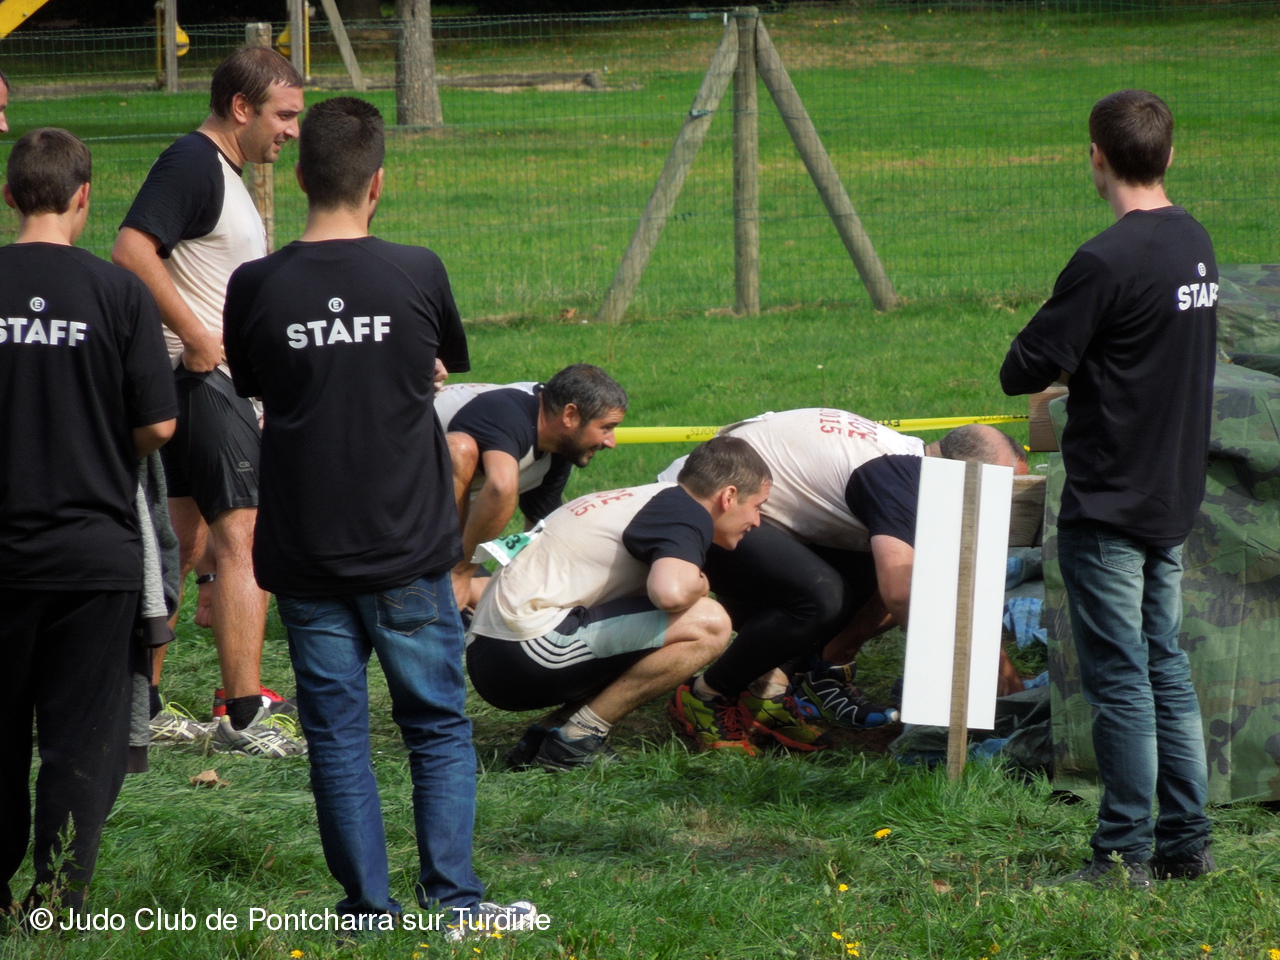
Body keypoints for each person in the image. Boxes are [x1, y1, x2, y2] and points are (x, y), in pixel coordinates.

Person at [223, 96, 533, 933]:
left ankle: (364, 910)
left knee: (336, 736)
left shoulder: (256, 284)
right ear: (378, 184)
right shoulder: (417, 271)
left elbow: (258, 383)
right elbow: (436, 364)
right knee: (435, 727)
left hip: (306, 551)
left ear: (297, 176)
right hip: (406, 548)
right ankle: (455, 905)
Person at [1001, 89, 1216, 887]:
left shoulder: (1103, 261)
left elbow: (1021, 368)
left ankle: (1124, 853)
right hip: (1171, 493)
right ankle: (1186, 843)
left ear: (1096, 155)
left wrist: (1074, 337)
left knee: (1122, 678)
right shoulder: (1194, 240)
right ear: (1169, 155)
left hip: (1111, 500)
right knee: (1166, 666)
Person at [0, 129, 177, 914]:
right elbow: (160, 424)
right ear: (83, 198)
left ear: (10, 197)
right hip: (94, 555)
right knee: (78, 739)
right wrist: (99, 443)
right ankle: (58, 899)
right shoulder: (119, 293)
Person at [112, 45, 305, 755]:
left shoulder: (223, 172)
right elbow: (131, 250)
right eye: (283, 116)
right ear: (241, 107)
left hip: (194, 386)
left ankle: (143, 704)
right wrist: (196, 336)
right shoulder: (194, 162)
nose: (292, 131)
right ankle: (244, 716)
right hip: (199, 381)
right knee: (241, 539)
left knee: (181, 544)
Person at [663, 410, 1027, 753]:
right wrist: (970, 667)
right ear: (968, 476)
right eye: (1005, 491)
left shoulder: (911, 463)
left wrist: (995, 659)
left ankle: (767, 690)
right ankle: (708, 693)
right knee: (824, 597)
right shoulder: (900, 479)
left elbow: (940, 579)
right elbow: (903, 593)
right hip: (701, 508)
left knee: (867, 570)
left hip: (747, 504)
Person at [467, 435, 772, 767]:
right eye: (757, 506)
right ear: (728, 496)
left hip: (492, 651)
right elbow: (670, 593)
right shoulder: (686, 511)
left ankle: (551, 731)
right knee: (710, 623)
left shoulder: (644, 498)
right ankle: (579, 736)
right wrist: (701, 584)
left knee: (652, 623)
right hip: (525, 649)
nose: (757, 522)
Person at [440, 365, 628, 611]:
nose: (611, 441)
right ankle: (443, 575)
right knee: (461, 449)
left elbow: (538, 536)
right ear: (570, 415)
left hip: (435, 524)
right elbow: (501, 487)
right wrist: (461, 575)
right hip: (394, 517)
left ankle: (449, 580)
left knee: (519, 602)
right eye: (606, 427)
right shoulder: (507, 412)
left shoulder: (556, 443)